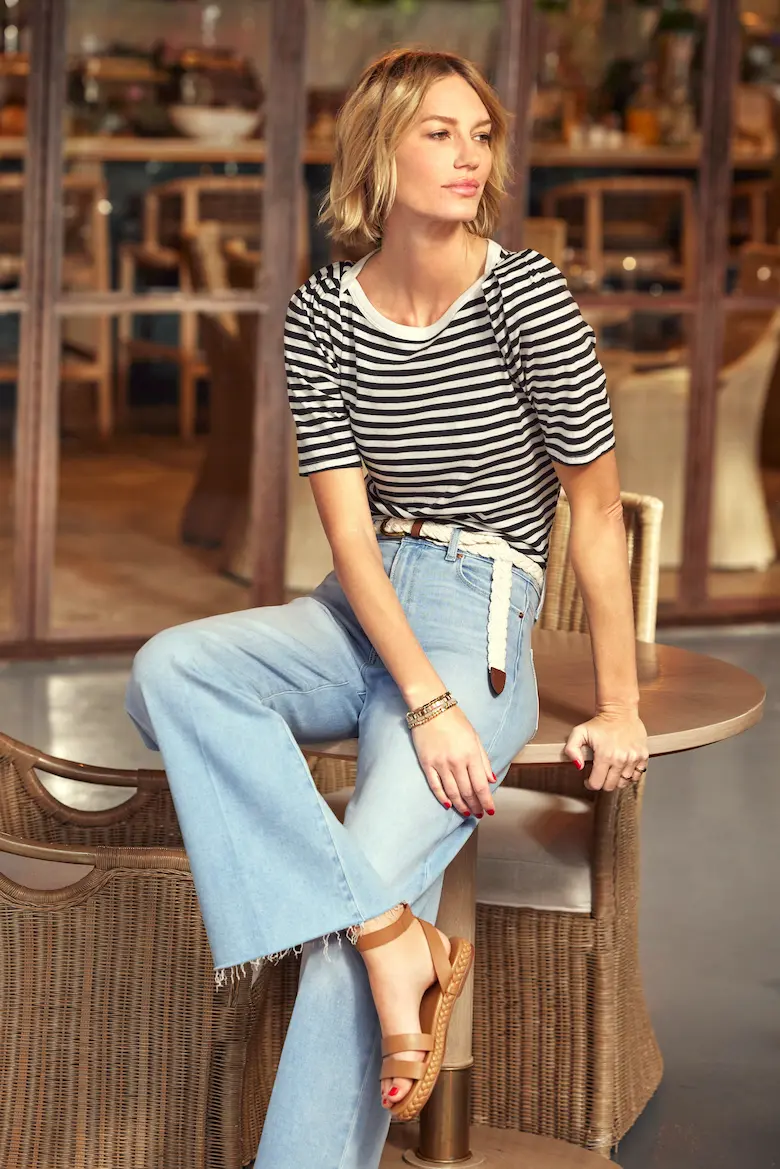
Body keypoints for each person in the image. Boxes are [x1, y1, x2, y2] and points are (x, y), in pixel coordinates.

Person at [125, 47, 649, 1169]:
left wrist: (620, 703)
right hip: (358, 612)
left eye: (480, 134)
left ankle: (355, 955)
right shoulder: (321, 314)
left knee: (323, 958)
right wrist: (421, 700)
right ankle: (388, 930)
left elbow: (595, 514)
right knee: (171, 669)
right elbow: (351, 538)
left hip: (479, 615)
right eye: (438, 133)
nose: (469, 157)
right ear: (379, 150)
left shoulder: (526, 296)